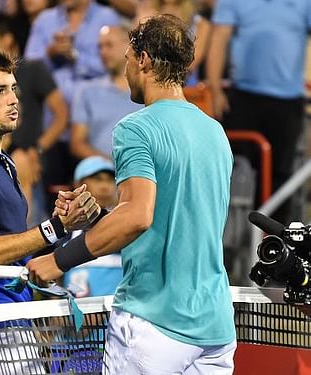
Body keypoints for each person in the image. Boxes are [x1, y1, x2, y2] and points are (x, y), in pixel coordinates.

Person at [27, 15, 237, 374]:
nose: (125, 70)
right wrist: (100, 219)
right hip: (216, 329)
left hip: (155, 326)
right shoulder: (215, 132)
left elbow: (138, 217)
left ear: (143, 60)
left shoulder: (136, 128)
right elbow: (168, 221)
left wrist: (57, 260)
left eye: (127, 58)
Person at [0, 46, 99, 373]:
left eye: (13, 89)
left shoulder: (2, 164)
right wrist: (51, 229)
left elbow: (15, 251)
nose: (13, 99)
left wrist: (60, 225)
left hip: (11, 320)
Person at [207, 0, 311, 225]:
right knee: (233, 170)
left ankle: (274, 247)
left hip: (288, 102)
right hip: (244, 98)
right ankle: (228, 242)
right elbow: (219, 37)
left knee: (281, 177)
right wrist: (215, 89)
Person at [0, 12, 69, 224]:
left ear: (7, 39)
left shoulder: (33, 70)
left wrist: (38, 148)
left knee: (21, 163)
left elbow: (62, 114)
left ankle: (25, 244)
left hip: (29, 155)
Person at [70, 24, 142, 160]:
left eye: (109, 45)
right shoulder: (86, 91)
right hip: (101, 175)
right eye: (100, 47)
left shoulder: (145, 92)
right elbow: (77, 143)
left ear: (128, 47)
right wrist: (110, 166)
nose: (103, 52)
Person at [63, 156, 121, 297]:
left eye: (110, 180)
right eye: (97, 179)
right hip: (74, 316)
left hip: (119, 316)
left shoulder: (128, 230)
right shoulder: (64, 231)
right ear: (78, 184)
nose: (105, 186)